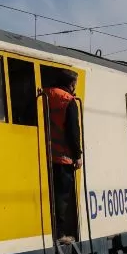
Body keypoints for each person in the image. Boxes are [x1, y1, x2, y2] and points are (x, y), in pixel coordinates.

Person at [45, 70, 82, 242]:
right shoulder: (68, 100)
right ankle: (59, 234)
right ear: (71, 84)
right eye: (75, 83)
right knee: (61, 197)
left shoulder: (43, 94)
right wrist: (77, 155)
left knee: (48, 195)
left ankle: (48, 231)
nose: (75, 87)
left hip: (43, 154)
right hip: (62, 157)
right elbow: (73, 132)